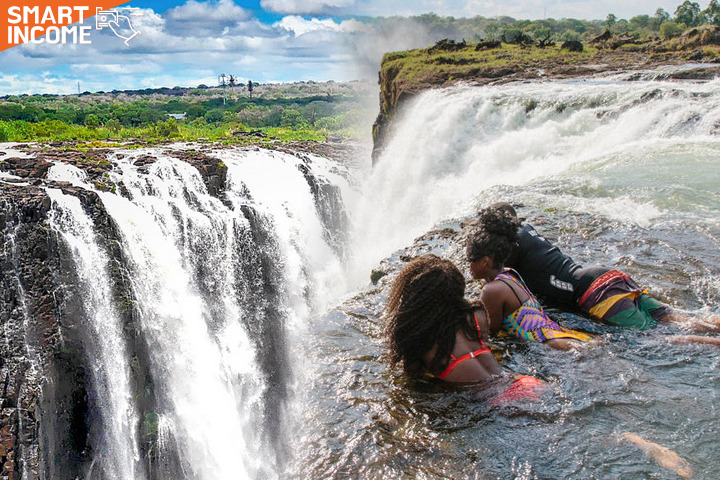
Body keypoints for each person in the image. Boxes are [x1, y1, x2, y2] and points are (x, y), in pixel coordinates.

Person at [488, 202, 720, 334]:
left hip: (595, 294)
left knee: (656, 335)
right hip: (608, 276)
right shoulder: (527, 228)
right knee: (674, 318)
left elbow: (497, 278)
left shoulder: (508, 243)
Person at [384, 254, 543, 403]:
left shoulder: (420, 337)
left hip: (498, 402)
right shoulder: (476, 314)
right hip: (526, 383)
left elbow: (412, 378)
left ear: (417, 297)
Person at [465, 208, 594, 351]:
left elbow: (488, 332)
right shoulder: (510, 275)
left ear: (485, 262)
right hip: (571, 337)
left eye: (470, 259)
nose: (468, 264)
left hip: (559, 346)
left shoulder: (491, 291)